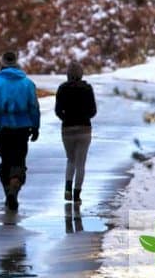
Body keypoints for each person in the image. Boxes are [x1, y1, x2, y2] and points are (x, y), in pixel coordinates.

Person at [0, 51, 40, 211]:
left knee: (5, 161)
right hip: (22, 128)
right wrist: (35, 126)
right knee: (19, 160)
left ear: (2, 64)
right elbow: (34, 106)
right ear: (16, 63)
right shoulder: (27, 83)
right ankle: (15, 186)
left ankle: (8, 191)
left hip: (3, 128)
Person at [55, 60, 97, 204]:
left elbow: (57, 110)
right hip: (84, 129)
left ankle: (67, 188)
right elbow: (93, 111)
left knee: (70, 159)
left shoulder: (62, 89)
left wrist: (66, 118)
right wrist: (84, 117)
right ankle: (77, 194)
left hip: (67, 129)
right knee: (81, 163)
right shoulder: (87, 89)